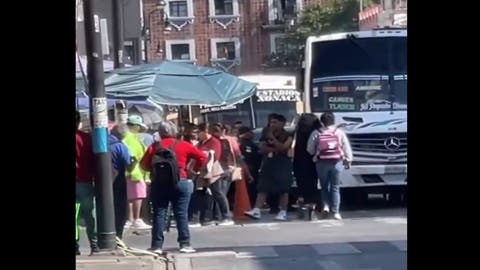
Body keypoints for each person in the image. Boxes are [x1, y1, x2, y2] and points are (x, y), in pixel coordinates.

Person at [140, 121, 207, 254]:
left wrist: (155, 172)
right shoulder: (183, 145)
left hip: (159, 183)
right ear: (174, 131)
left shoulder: (154, 147)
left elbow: (143, 165)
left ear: (160, 133)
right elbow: (202, 157)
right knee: (181, 213)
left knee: (159, 213)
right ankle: (184, 244)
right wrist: (194, 170)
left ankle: (157, 245)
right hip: (181, 180)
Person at [245, 114, 293, 221]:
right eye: (271, 122)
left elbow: (284, 147)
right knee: (263, 187)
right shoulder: (265, 133)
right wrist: (275, 149)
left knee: (283, 188)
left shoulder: (288, 135)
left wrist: (272, 138)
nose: (272, 124)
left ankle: (283, 211)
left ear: (282, 123)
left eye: (275, 122)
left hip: (283, 164)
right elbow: (262, 148)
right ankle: (257, 210)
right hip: (268, 163)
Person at [306, 112, 353, 220]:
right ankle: (336, 212)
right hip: (336, 162)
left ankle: (326, 206)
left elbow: (310, 149)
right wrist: (349, 160)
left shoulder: (316, 132)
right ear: (333, 120)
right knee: (335, 187)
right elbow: (346, 148)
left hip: (321, 162)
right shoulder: (339, 132)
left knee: (323, 187)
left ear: (322, 121)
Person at [75, 111, 99, 255]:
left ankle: (76, 246)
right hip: (85, 181)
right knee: (90, 215)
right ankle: (94, 245)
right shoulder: (86, 138)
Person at [123, 115, 151, 229]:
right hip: (136, 171)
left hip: (128, 172)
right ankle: (137, 219)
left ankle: (130, 220)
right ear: (135, 126)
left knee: (130, 197)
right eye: (138, 126)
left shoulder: (126, 137)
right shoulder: (131, 139)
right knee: (138, 196)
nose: (140, 129)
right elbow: (135, 156)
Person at [109, 125, 137, 239]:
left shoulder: (100, 143)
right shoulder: (121, 146)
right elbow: (129, 166)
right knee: (119, 208)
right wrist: (134, 162)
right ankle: (117, 236)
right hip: (117, 179)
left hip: (98, 180)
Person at [293, 114, 322, 216]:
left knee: (303, 186)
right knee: (314, 185)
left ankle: (304, 207)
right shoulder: (316, 132)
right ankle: (317, 206)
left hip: (300, 161)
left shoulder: (299, 132)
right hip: (314, 161)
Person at [238, 126, 262, 206]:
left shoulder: (251, 143)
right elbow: (248, 156)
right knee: (250, 187)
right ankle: (250, 203)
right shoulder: (244, 144)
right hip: (249, 167)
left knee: (253, 187)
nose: (252, 134)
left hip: (254, 167)